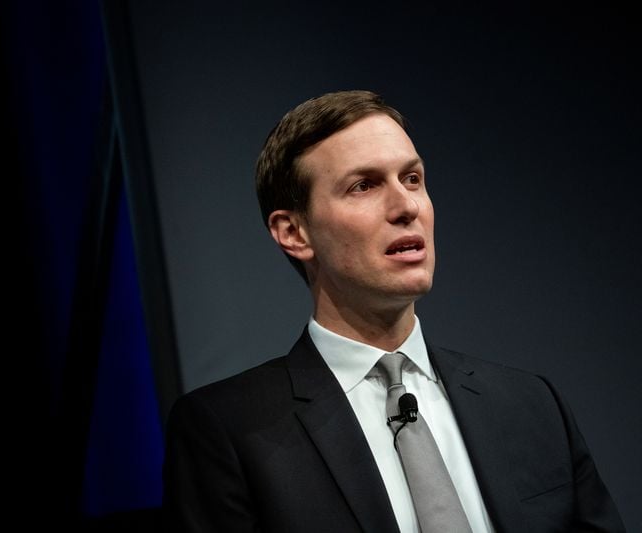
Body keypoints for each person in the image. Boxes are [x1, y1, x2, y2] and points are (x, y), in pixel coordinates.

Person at [162, 90, 624, 532]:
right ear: (294, 233)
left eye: (412, 179)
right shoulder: (230, 431)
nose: (406, 206)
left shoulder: (531, 404)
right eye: (363, 186)